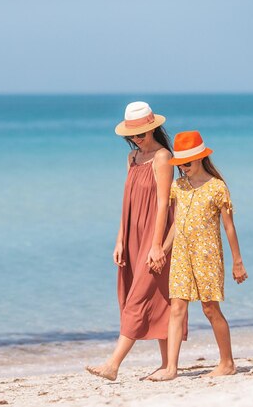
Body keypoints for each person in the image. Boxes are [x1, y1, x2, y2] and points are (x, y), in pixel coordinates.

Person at [86, 101, 187, 381]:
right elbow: (127, 202)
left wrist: (157, 245)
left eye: (141, 134)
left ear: (153, 129)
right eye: (132, 135)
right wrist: (119, 240)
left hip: (154, 235)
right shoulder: (131, 159)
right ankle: (168, 365)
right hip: (132, 236)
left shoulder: (162, 157)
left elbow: (163, 203)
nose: (136, 139)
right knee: (157, 298)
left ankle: (113, 364)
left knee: (139, 297)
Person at [147, 131, 248, 382]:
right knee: (177, 308)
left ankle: (227, 362)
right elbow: (176, 224)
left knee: (210, 309)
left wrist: (238, 262)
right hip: (181, 256)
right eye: (180, 163)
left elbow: (229, 228)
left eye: (188, 163)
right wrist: (162, 249)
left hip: (208, 257)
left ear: (201, 158)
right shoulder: (178, 186)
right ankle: (171, 368)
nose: (184, 167)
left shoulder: (217, 187)